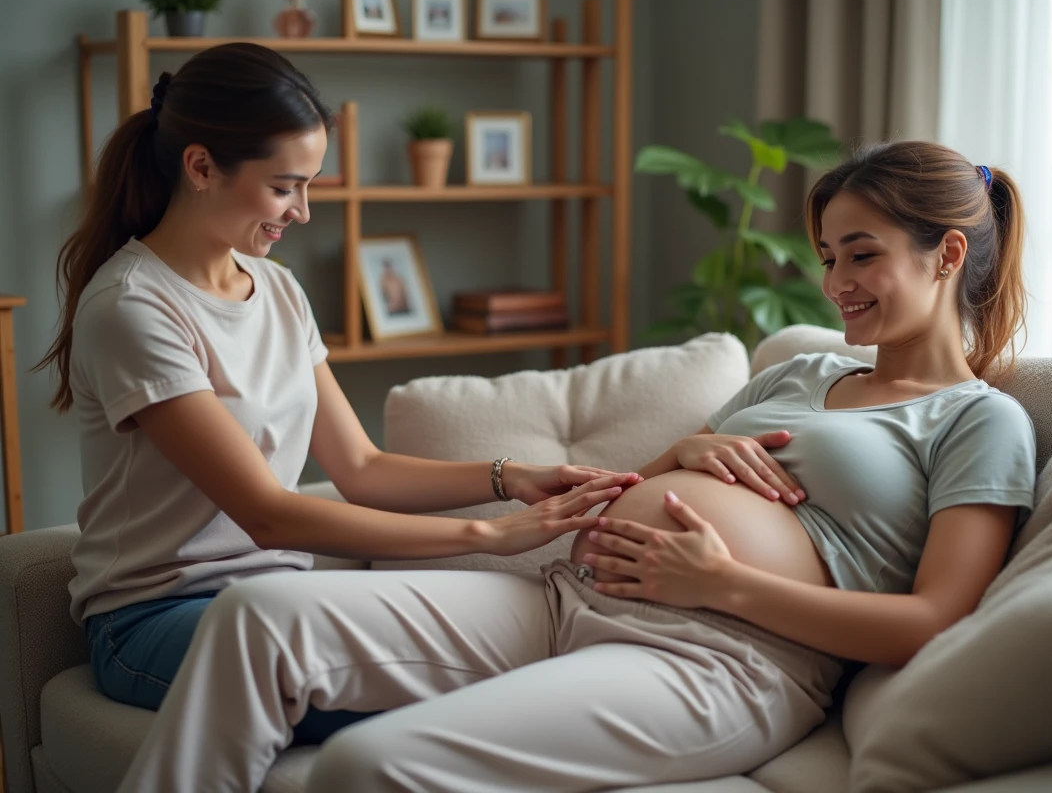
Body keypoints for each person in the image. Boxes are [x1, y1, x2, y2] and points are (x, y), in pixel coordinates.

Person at [115, 140, 1038, 793]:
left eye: (863, 255)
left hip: (726, 658)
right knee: (256, 617)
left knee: (368, 768)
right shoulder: (802, 368)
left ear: (947, 253)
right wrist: (678, 451)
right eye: (830, 255)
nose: (836, 281)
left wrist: (724, 584)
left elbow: (931, 622)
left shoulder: (978, 420)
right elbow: (636, 492)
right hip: (564, 596)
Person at [36, 42, 640, 750]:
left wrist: (510, 479)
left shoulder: (280, 290)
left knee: (510, 665)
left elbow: (360, 468)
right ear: (201, 167)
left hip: (282, 601)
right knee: (457, 719)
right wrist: (488, 536)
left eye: (311, 185)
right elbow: (267, 514)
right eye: (286, 186)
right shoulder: (133, 309)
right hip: (154, 621)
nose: (304, 211)